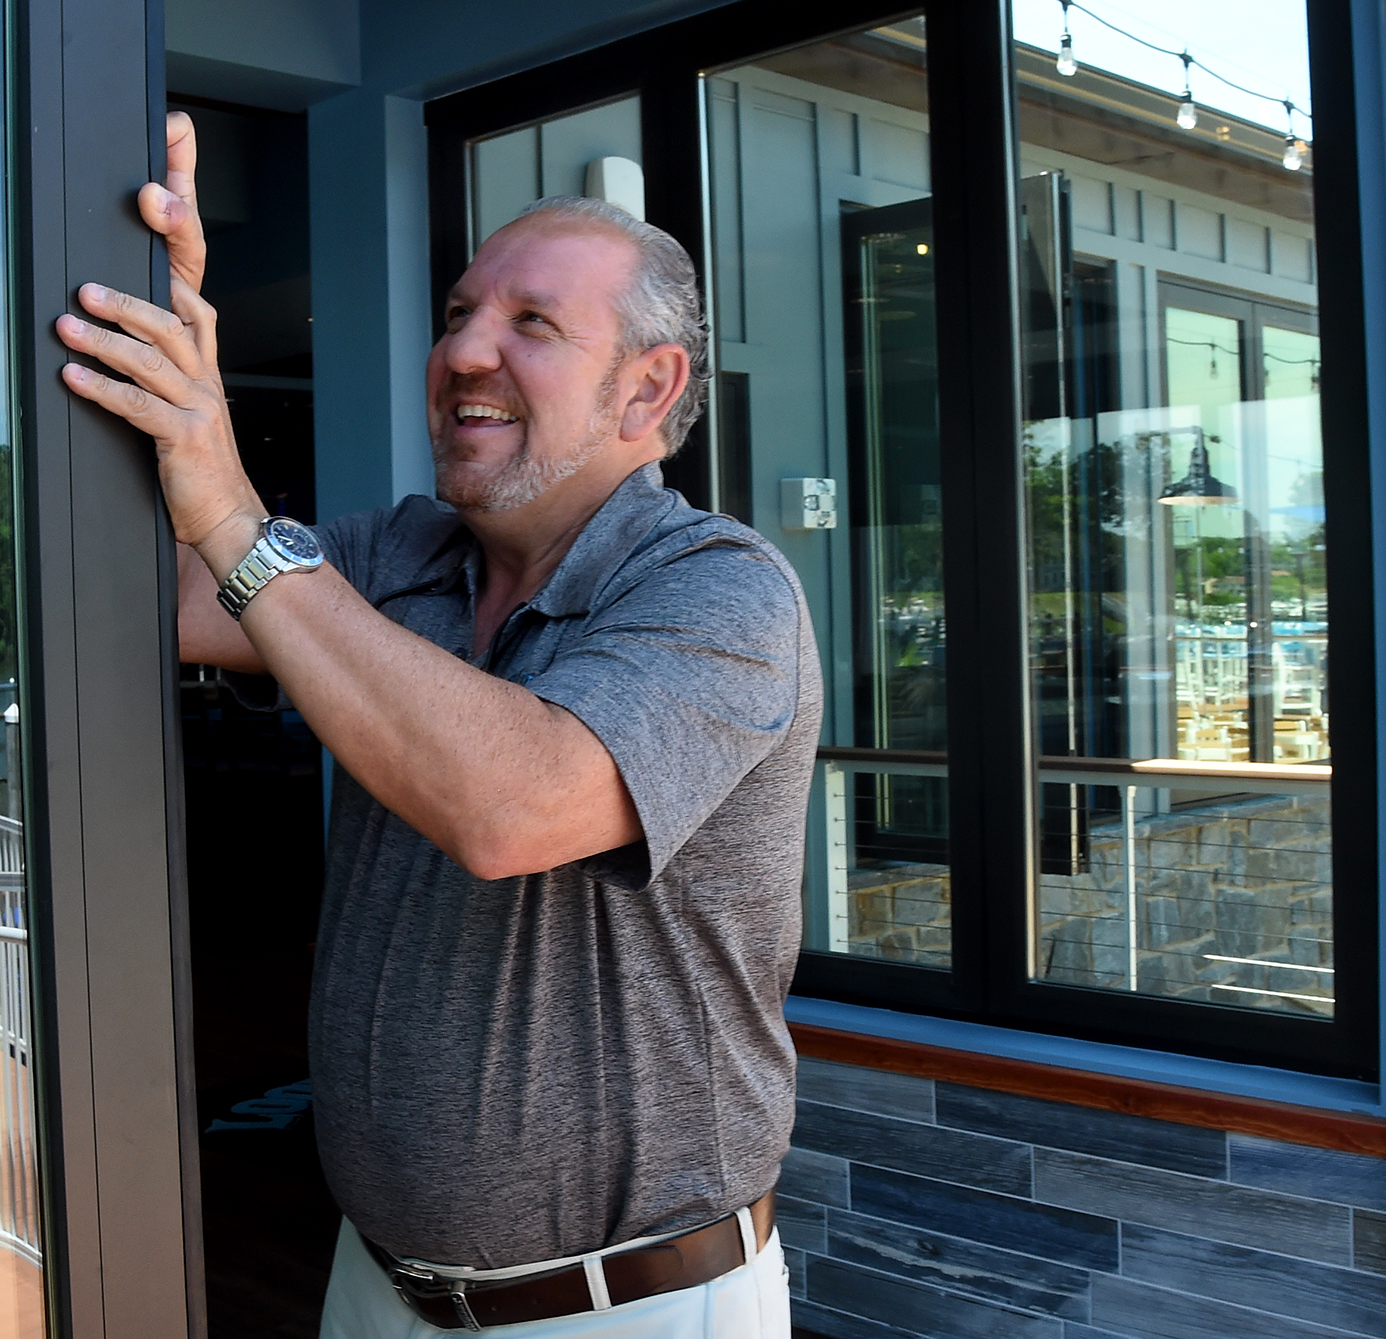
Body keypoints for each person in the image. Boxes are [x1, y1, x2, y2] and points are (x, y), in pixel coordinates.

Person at [55, 111, 820, 1337]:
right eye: (461, 313)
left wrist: (237, 509)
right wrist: (156, 325)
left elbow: (512, 807)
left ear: (648, 385)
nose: (466, 349)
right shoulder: (399, 553)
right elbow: (155, 598)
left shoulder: (720, 589)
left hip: (624, 1308)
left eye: (531, 324)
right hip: (379, 1282)